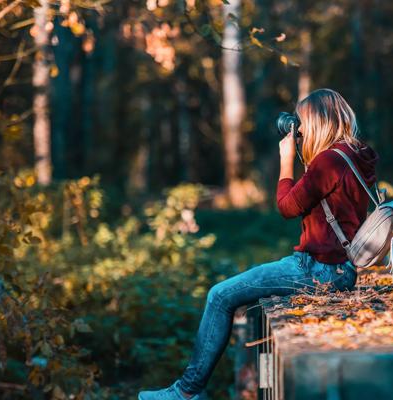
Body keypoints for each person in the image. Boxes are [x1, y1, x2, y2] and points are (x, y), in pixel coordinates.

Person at [137, 88, 379, 400]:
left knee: (220, 296)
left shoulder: (329, 161)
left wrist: (285, 160)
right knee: (240, 294)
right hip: (340, 268)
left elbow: (287, 207)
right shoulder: (355, 155)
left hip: (318, 269)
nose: (300, 130)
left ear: (318, 121)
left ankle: (185, 392)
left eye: (303, 122)